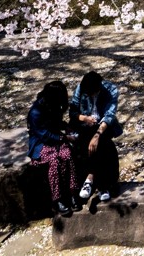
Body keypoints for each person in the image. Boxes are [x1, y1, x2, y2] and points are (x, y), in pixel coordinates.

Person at [27, 80, 80, 215]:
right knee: (54, 161)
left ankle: (73, 193)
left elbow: (56, 122)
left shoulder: (54, 106)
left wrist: (65, 127)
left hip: (56, 138)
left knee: (67, 155)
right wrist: (64, 138)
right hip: (41, 143)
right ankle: (57, 199)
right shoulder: (35, 112)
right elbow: (43, 134)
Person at [70, 70, 122, 202]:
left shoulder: (110, 90)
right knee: (94, 145)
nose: (88, 94)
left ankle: (90, 178)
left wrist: (98, 134)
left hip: (104, 126)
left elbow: (109, 115)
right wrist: (84, 118)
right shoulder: (81, 89)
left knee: (101, 141)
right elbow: (73, 111)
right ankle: (102, 185)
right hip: (85, 125)